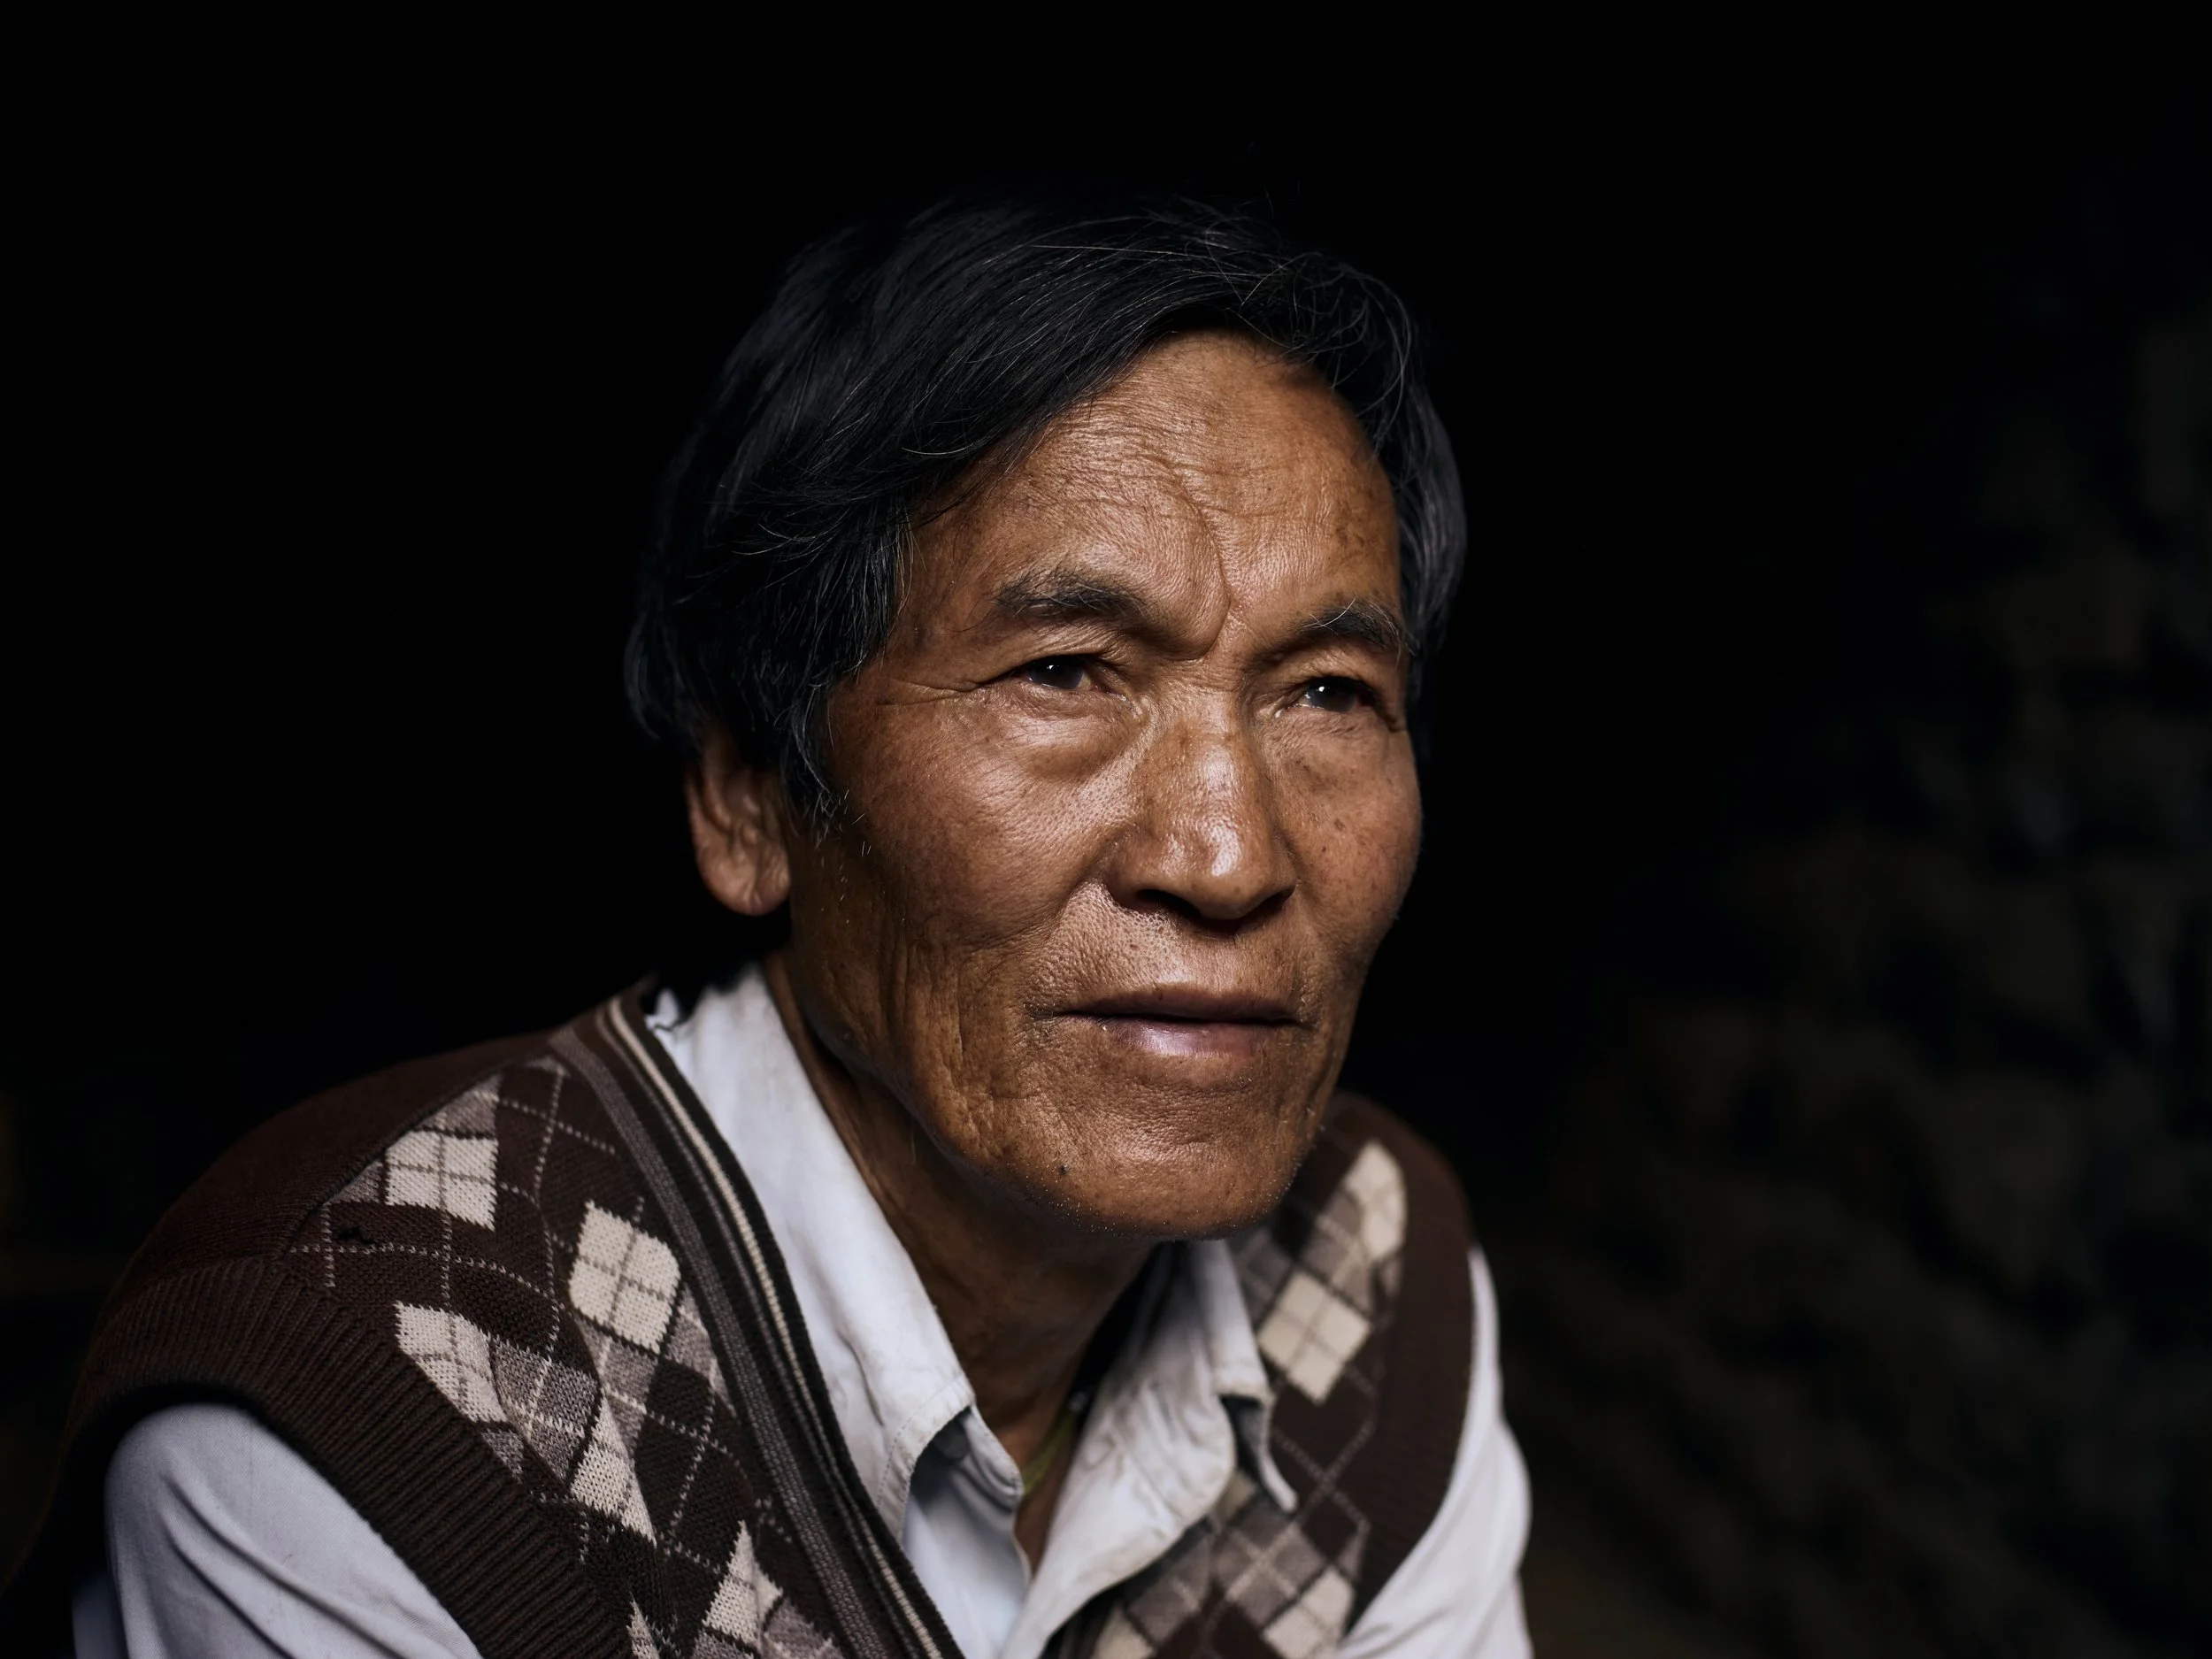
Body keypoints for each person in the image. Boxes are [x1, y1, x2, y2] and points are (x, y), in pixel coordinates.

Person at [9, 187, 1531, 1658]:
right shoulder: (353, 1409)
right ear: (748, 795)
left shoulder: (1380, 1277)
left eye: (1330, 693)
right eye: (1066, 671)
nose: (1226, 851)